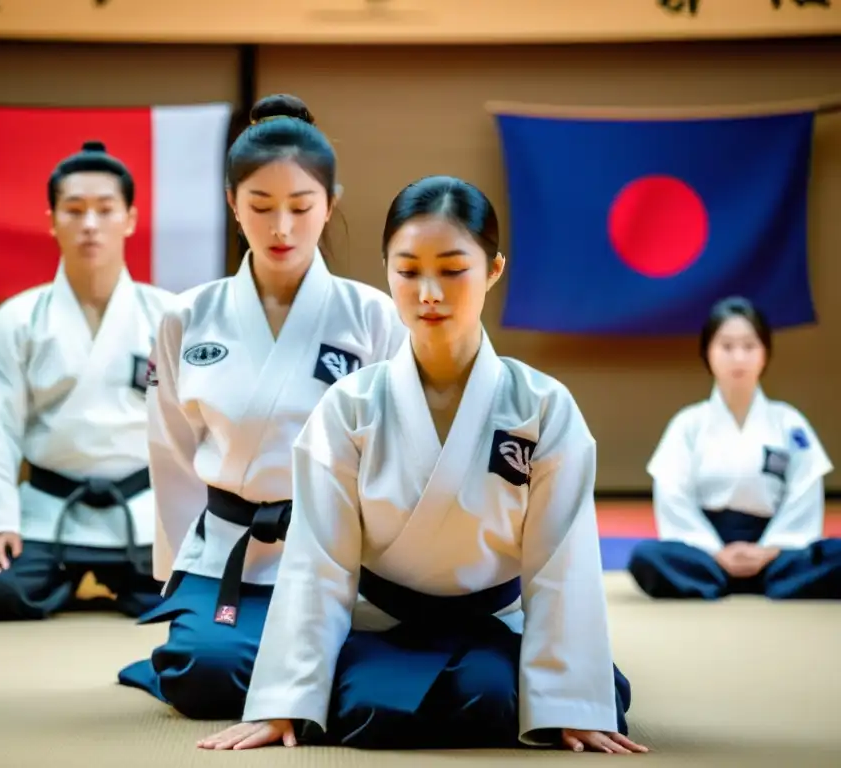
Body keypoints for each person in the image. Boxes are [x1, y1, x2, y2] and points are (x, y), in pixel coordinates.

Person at [198, 175, 646, 754]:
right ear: (386, 271)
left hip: (493, 620)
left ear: (494, 270)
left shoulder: (543, 407)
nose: (429, 291)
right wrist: (288, 698)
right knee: (372, 713)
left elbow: (562, 565)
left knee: (491, 702)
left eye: (453, 269)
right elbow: (319, 562)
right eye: (408, 271)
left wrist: (569, 701)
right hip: (385, 623)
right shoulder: (350, 407)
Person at [115, 94, 409, 720]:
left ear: (330, 203)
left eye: (302, 207)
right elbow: (169, 452)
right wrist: (175, 576)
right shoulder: (186, 316)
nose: (282, 229)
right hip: (232, 549)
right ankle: (225, 637)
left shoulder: (374, 317)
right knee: (203, 676)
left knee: (388, 692)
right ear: (231, 203)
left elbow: (399, 457)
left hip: (340, 548)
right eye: (261, 206)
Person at [0, 141, 178, 621]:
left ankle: (103, 580)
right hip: (47, 512)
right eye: (73, 210)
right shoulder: (17, 320)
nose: (89, 224)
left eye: (104, 209)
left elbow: (195, 431)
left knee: (185, 603)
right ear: (52, 220)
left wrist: (193, 525)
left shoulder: (168, 316)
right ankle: (67, 575)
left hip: (142, 514)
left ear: (130, 219)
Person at [628, 297, 840, 600]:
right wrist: (714, 551)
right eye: (726, 347)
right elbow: (674, 495)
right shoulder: (689, 424)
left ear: (764, 354)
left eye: (749, 346)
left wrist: (770, 550)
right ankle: (733, 576)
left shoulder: (789, 422)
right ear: (708, 354)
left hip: (776, 551)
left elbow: (805, 489)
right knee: (647, 557)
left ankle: (737, 579)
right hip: (706, 551)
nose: (738, 357)